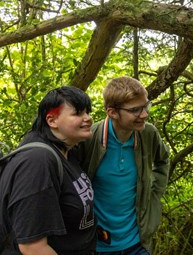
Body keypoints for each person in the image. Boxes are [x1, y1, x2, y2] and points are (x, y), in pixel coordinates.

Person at [79, 76, 170, 255]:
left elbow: (163, 160)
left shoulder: (148, 134)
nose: (144, 114)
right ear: (112, 112)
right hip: (97, 246)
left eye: (146, 106)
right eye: (136, 110)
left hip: (138, 243)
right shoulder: (89, 139)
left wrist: (154, 192)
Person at [0, 86, 96, 255]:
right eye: (78, 113)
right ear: (52, 120)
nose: (88, 118)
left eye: (88, 112)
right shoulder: (37, 161)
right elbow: (32, 247)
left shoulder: (66, 150)